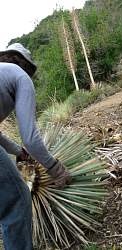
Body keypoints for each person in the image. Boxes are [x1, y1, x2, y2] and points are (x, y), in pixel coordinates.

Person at [0, 43, 71, 250]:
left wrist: (18, 152)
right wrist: (55, 169)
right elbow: (30, 138)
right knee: (17, 199)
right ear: (26, 65)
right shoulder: (20, 77)